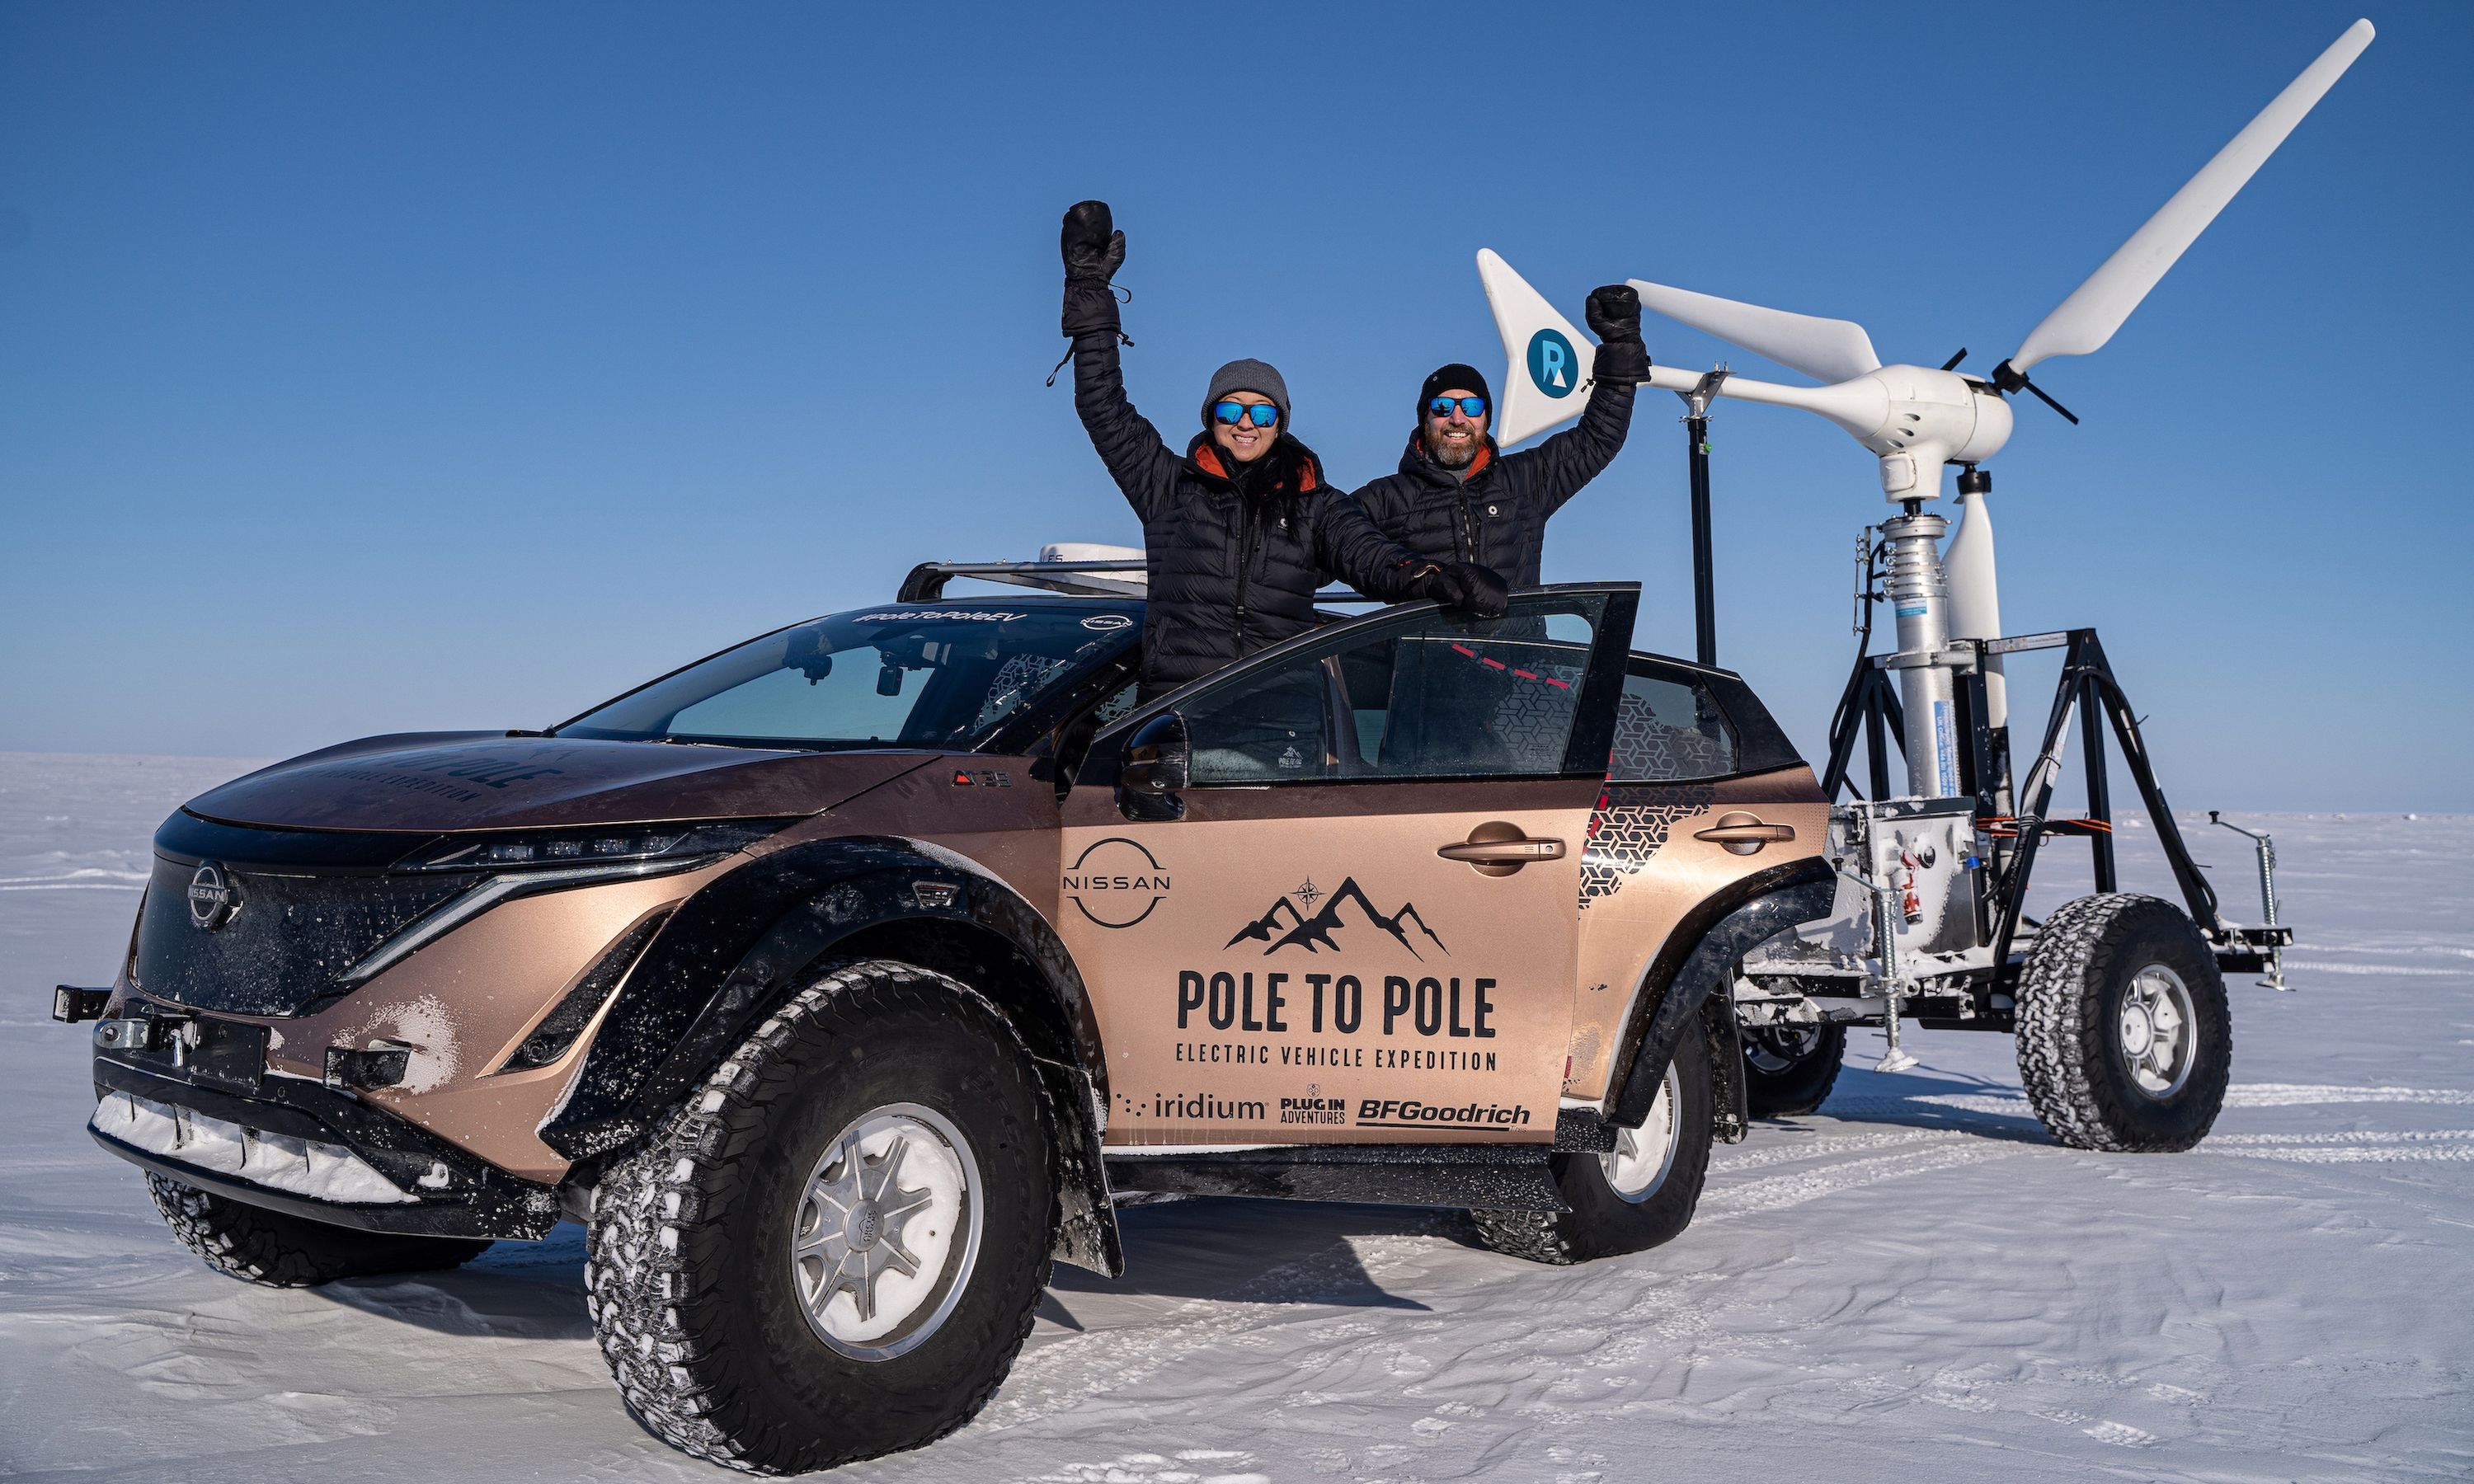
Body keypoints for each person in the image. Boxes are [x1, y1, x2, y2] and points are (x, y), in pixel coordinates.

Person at [1060, 200, 1506, 702]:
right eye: (1231, 412)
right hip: (1176, 708)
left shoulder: (1316, 504)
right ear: (1210, 420)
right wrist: (1089, 299)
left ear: (1281, 424)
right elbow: (1103, 405)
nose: (1246, 425)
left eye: (1263, 414)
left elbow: (1376, 559)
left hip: (1277, 717)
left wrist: (1443, 577)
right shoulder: (1168, 487)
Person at [1349, 288, 1649, 587]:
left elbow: (1597, 438)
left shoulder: (1524, 481)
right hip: (1429, 636)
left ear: (1485, 419)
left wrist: (1621, 346)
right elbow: (1320, 544)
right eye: (1442, 406)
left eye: (1471, 407)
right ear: (1424, 418)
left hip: (1515, 637)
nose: (1457, 418)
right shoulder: (1388, 499)